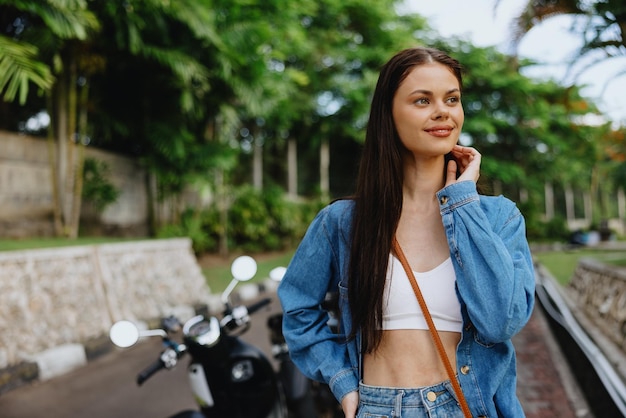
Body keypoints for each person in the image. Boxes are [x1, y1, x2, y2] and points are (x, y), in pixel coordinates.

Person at [277, 46, 535, 418]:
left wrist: (462, 201)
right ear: (389, 114)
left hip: (465, 407)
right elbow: (299, 307)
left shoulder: (498, 218)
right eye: (422, 100)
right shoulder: (343, 222)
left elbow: (499, 323)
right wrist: (343, 382)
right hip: (378, 407)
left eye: (452, 99)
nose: (442, 111)